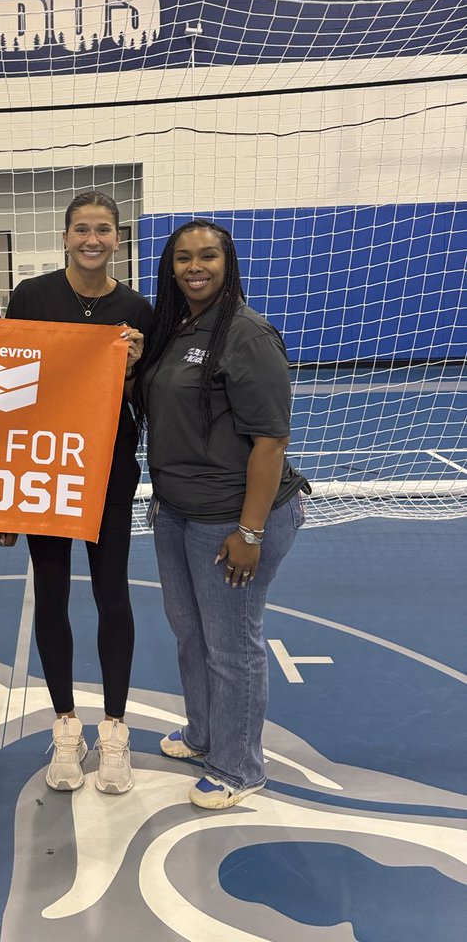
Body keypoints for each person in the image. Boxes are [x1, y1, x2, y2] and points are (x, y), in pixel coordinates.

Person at [133, 219, 309, 810]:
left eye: (207, 256)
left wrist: (249, 531)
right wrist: (135, 364)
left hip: (231, 517)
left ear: (228, 262)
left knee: (231, 644)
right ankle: (205, 733)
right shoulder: (173, 328)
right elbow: (158, 404)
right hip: (175, 511)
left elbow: (270, 442)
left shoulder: (247, 334)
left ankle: (238, 767)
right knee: (192, 634)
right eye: (183, 257)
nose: (195, 267)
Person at [0, 190, 151, 796]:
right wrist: (7, 491)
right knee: (53, 594)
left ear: (118, 239)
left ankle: (115, 727)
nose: (93, 239)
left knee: (113, 593)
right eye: (82, 229)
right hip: (45, 470)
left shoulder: (137, 307)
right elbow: (7, 388)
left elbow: (143, 397)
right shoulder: (32, 297)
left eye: (104, 230)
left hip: (110, 467)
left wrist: (135, 366)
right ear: (65, 236)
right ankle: (66, 725)